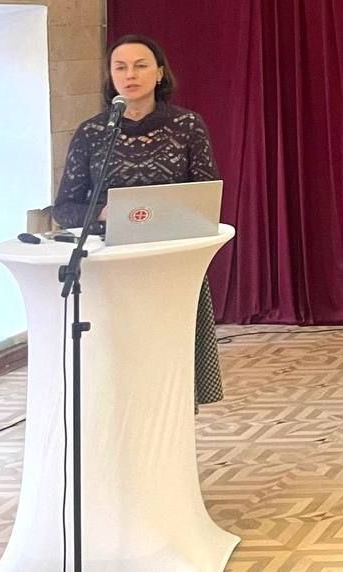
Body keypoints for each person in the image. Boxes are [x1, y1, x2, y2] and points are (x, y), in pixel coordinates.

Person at [53, 34, 224, 407]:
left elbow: (207, 198)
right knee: (120, 374)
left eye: (140, 65)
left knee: (169, 369)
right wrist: (103, 212)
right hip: (111, 266)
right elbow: (64, 208)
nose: (130, 75)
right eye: (120, 67)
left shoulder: (187, 126)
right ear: (110, 75)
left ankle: (172, 426)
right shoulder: (92, 133)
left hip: (172, 262)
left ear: (160, 73)